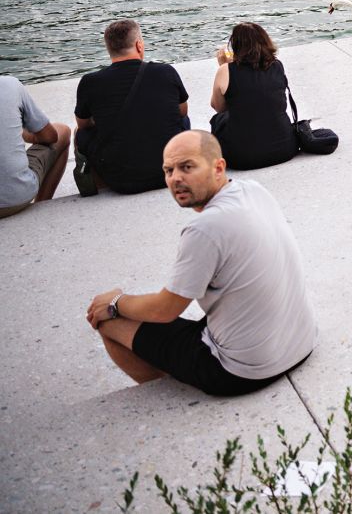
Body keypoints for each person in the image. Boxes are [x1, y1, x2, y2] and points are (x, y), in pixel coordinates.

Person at [84, 131, 316, 396]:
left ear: (219, 167)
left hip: (243, 371)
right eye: (168, 170)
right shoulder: (253, 190)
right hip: (301, 343)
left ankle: (170, 395)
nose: (175, 179)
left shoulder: (204, 229)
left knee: (108, 320)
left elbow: (164, 310)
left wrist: (115, 301)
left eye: (187, 167)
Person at [74, 20, 189, 196]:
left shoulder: (90, 81)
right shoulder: (166, 71)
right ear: (139, 45)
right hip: (170, 174)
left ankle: (100, 186)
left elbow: (83, 125)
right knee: (182, 120)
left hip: (121, 182)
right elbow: (183, 112)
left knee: (79, 134)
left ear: (109, 49)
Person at [208, 23, 296, 171]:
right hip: (285, 148)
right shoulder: (277, 65)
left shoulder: (226, 70)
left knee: (218, 120)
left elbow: (219, 107)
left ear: (235, 45)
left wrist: (224, 66)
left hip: (242, 158)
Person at [0, 76, 71, 220]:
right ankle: (41, 204)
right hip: (14, 199)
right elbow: (50, 136)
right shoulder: (9, 84)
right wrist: (25, 135)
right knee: (62, 131)